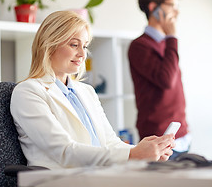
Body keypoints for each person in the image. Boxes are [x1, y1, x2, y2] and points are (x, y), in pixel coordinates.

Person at [10, 10, 175, 170]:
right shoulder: (28, 92)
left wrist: (145, 153)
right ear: (49, 45)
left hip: (98, 176)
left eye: (85, 46)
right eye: (74, 44)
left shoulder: (86, 91)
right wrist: (133, 154)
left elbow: (110, 143)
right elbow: (64, 152)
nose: (83, 54)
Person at [128, 0, 190, 159]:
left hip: (182, 136)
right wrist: (172, 37)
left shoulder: (166, 44)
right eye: (172, 6)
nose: (177, 12)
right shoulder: (140, 46)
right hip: (159, 140)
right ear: (153, 7)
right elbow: (166, 80)